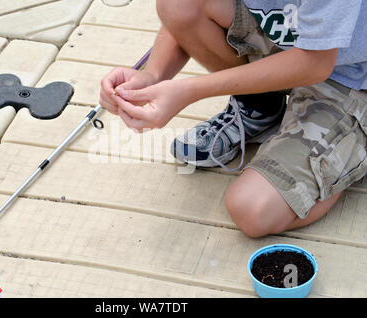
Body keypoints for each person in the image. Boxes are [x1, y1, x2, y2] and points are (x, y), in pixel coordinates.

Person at [99, 0, 367, 238]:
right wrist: (153, 75)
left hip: (349, 75)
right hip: (296, 42)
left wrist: (190, 90)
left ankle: (351, 148)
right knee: (178, 4)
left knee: (253, 210)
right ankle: (261, 108)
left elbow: (316, 64)